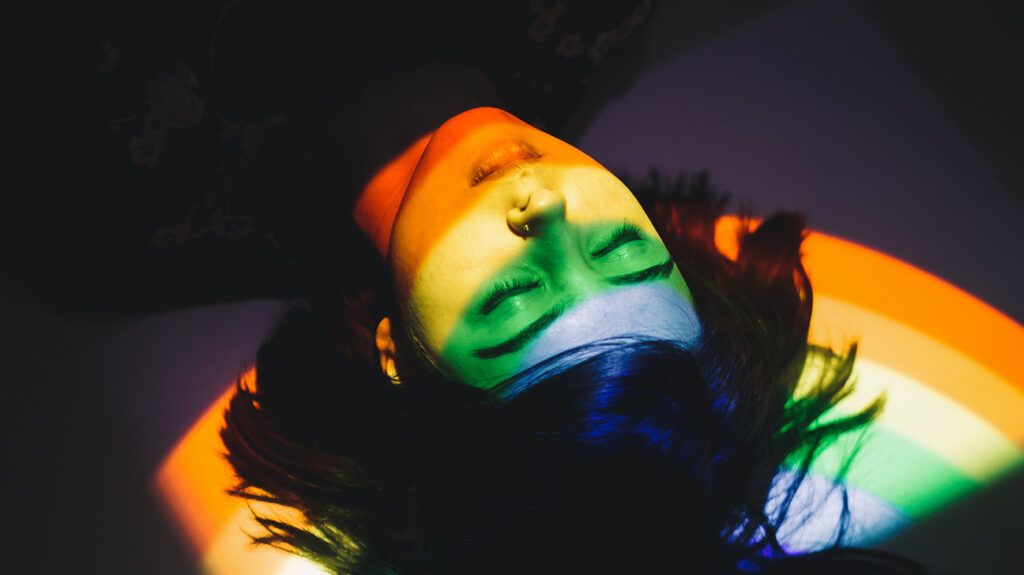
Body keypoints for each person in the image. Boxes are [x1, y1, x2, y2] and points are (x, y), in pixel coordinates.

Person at [219, 64, 935, 574]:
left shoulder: (153, 165)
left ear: (397, 353)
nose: (551, 211)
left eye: (510, 297)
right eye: (623, 248)